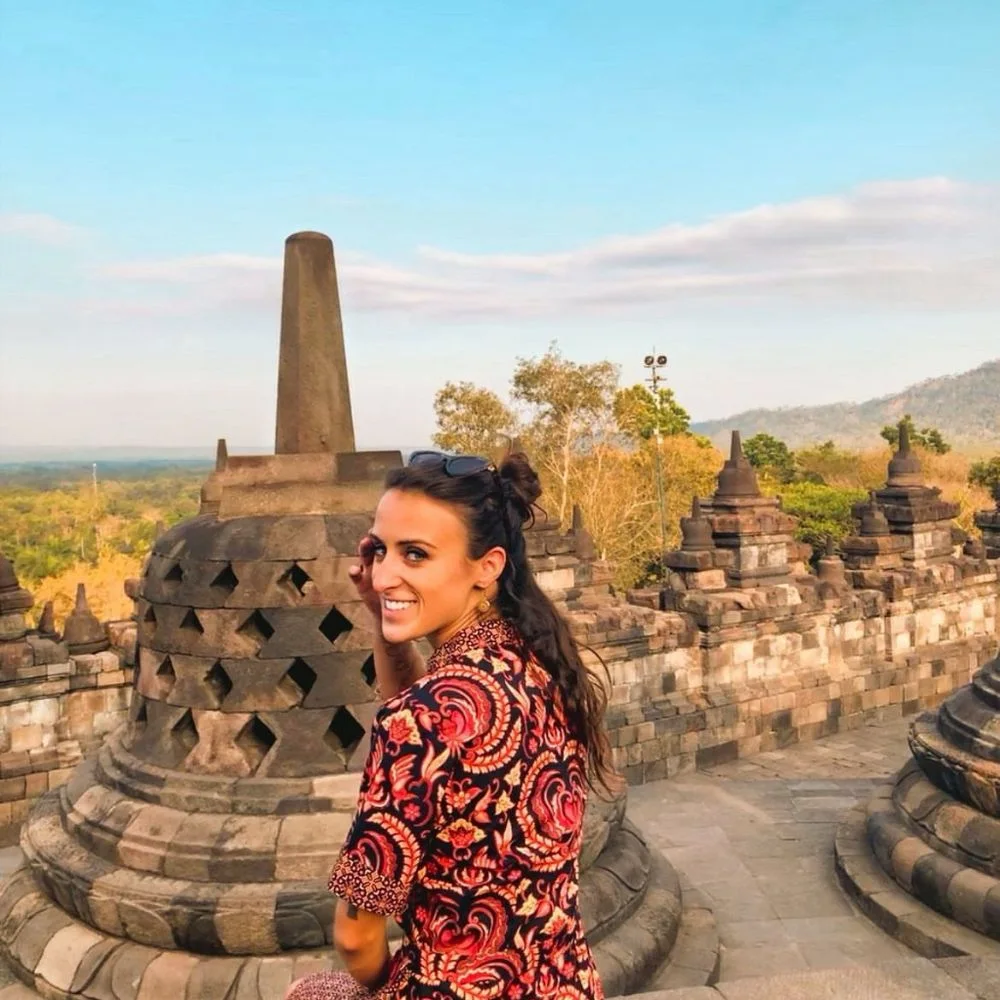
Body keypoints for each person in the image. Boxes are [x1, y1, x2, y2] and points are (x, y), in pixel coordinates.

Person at [285, 450, 615, 1000]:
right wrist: (382, 614)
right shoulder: (542, 663)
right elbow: (431, 718)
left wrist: (381, 989)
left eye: (415, 554)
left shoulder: (420, 720)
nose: (382, 575)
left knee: (308, 992)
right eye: (379, 550)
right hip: (564, 983)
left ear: (487, 566)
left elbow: (355, 937)